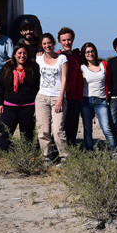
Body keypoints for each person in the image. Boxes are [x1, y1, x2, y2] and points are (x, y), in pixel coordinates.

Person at [0, 43, 40, 149]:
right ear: (14, 55)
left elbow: (38, 87)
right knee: (6, 135)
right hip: (10, 107)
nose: (22, 55)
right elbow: (0, 87)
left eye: (24, 53)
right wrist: (0, 104)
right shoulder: (6, 68)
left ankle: (27, 158)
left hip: (28, 106)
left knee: (27, 136)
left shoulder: (33, 68)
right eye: (19, 53)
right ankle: (5, 158)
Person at [35, 33, 69, 163]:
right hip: (42, 97)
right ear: (41, 46)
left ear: (54, 43)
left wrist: (60, 98)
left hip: (57, 98)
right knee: (43, 130)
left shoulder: (62, 58)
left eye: (49, 43)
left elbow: (64, 79)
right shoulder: (38, 58)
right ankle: (46, 157)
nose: (47, 46)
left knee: (57, 130)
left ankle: (64, 157)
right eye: (44, 44)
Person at [79, 42, 117, 150]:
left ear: (95, 52)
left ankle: (114, 152)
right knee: (87, 129)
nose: (90, 54)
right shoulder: (81, 67)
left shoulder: (103, 64)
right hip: (86, 101)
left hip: (101, 101)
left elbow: (109, 81)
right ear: (83, 54)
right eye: (87, 52)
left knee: (106, 128)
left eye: (92, 51)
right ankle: (90, 151)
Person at [57, 27, 83, 146]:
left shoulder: (77, 56)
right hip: (60, 97)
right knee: (59, 126)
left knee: (73, 126)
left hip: (74, 97)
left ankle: (71, 152)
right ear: (59, 42)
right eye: (64, 40)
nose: (67, 42)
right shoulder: (56, 56)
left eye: (69, 39)